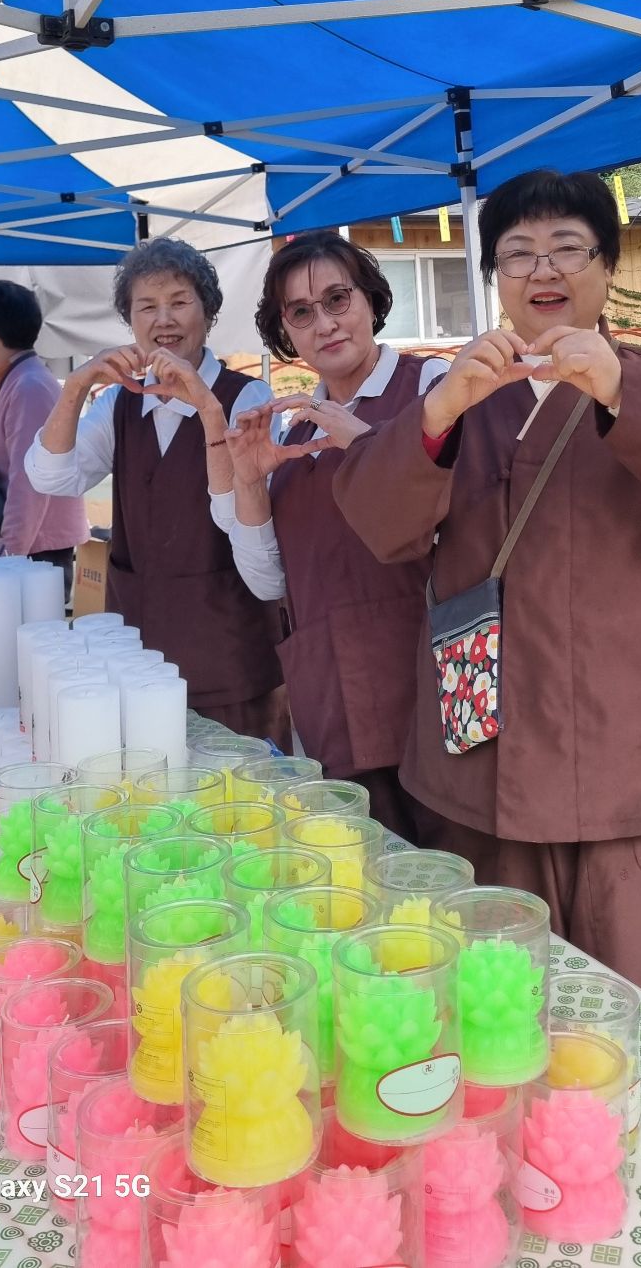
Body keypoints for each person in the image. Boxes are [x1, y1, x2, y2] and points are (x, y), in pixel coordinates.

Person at [332, 169, 641, 1044]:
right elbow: (378, 525)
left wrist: (621, 393)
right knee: (505, 1035)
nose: (543, 269)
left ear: (606, 267)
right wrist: (439, 413)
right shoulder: (464, 394)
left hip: (639, 785)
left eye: (568, 248)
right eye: (517, 254)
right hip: (488, 782)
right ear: (496, 279)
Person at [193, 232, 448, 838]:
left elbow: (460, 522)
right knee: (360, 864)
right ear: (285, 329)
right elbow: (269, 582)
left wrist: (366, 444)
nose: (325, 324)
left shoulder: (432, 388)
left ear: (371, 299)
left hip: (431, 688)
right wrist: (250, 480)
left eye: (338, 299)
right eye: (302, 313)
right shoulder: (294, 429)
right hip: (333, 699)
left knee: (446, 870)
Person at [25, 237, 288, 742]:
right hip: (138, 655)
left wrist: (204, 403)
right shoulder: (120, 405)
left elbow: (247, 515)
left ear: (208, 312)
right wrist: (77, 386)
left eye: (179, 302)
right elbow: (52, 476)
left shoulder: (245, 397)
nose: (163, 320)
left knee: (238, 783)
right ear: (130, 321)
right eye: (146, 306)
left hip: (229, 651)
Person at [0, 282, 87, 592]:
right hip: (26, 550)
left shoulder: (28, 388)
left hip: (32, 554)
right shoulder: (18, 382)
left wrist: (7, 558)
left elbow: (29, 484)